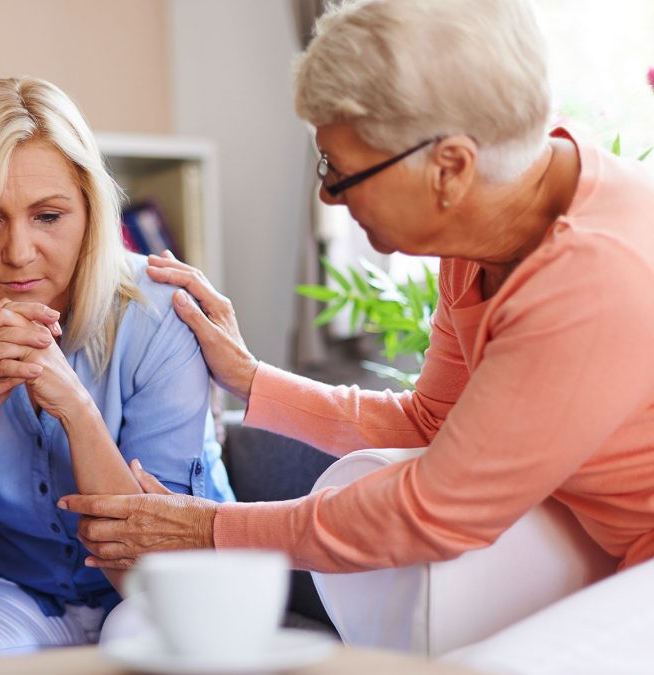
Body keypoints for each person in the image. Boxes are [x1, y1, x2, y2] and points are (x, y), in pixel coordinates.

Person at [61, 0, 654, 581]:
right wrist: (249, 377)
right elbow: (430, 424)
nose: (328, 197)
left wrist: (208, 528)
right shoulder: (489, 224)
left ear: (450, 168)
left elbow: (431, 511)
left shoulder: (594, 277)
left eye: (339, 170)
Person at [0, 77, 234, 667]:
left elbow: (158, 580)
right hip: (18, 591)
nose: (18, 252)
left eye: (47, 215)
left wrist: (76, 408)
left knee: (147, 640)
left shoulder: (163, 314)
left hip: (161, 588)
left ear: (90, 209)